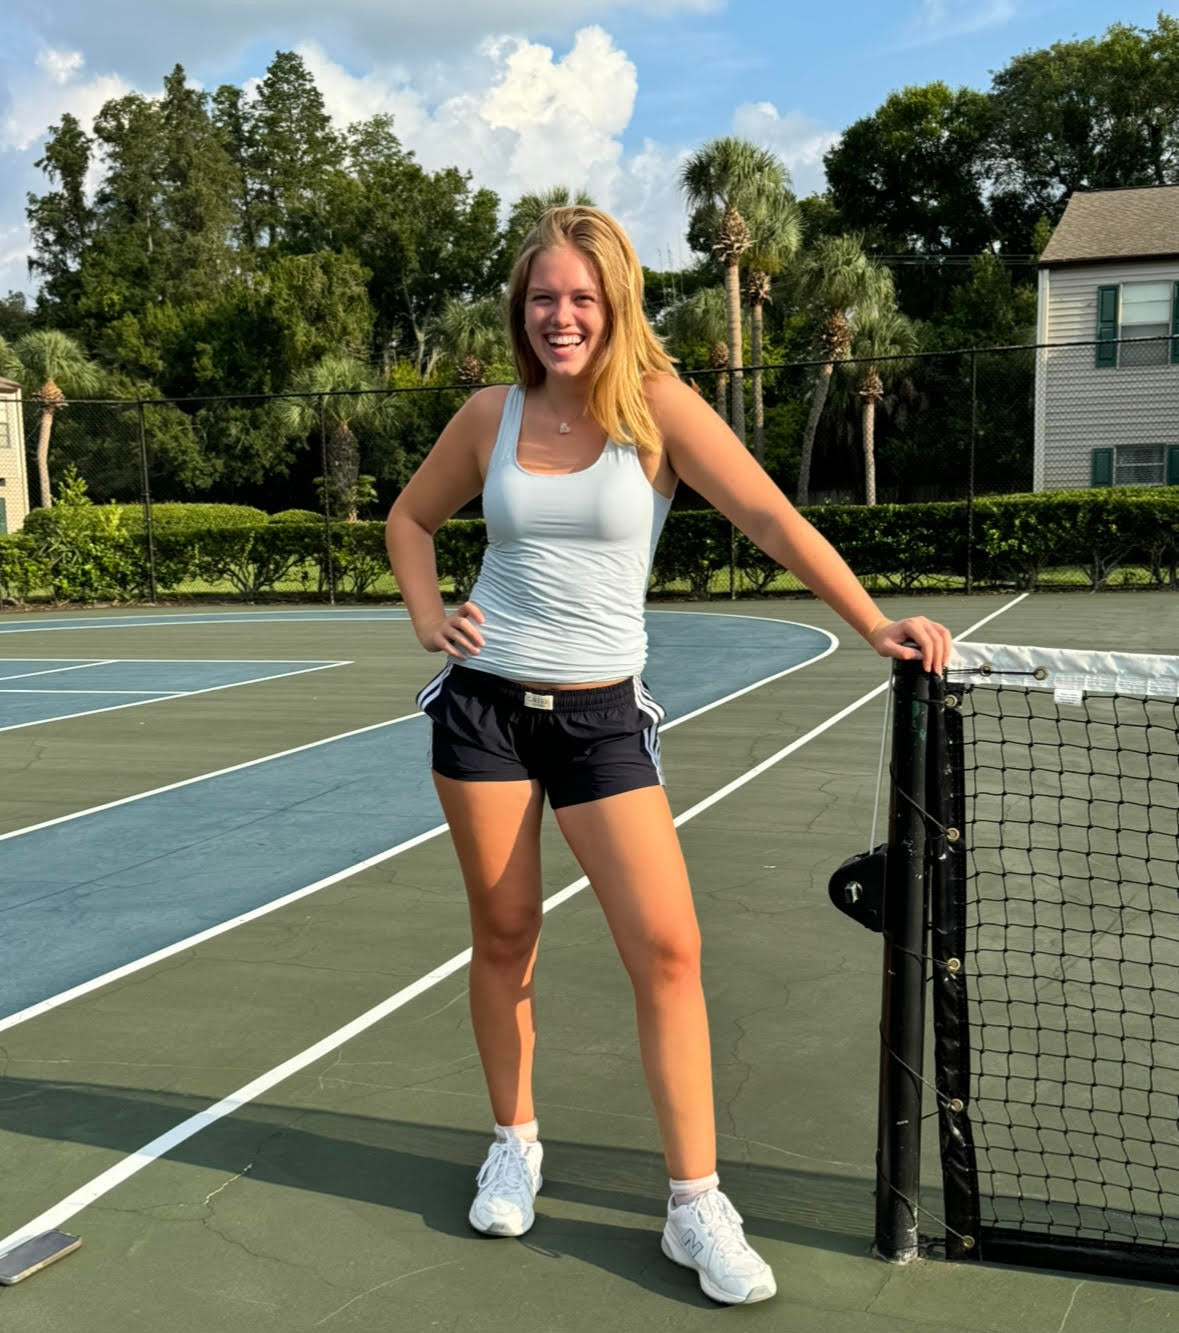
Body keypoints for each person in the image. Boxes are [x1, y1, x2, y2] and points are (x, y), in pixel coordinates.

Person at [385, 205, 951, 1306]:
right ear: (522, 308)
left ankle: (696, 1205)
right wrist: (425, 615)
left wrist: (872, 621)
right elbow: (409, 521)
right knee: (504, 933)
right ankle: (515, 1143)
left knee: (671, 950)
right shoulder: (487, 415)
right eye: (544, 297)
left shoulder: (659, 411)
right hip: (484, 716)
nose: (562, 316)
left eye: (582, 299)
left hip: (601, 721)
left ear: (616, 306)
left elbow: (775, 519)